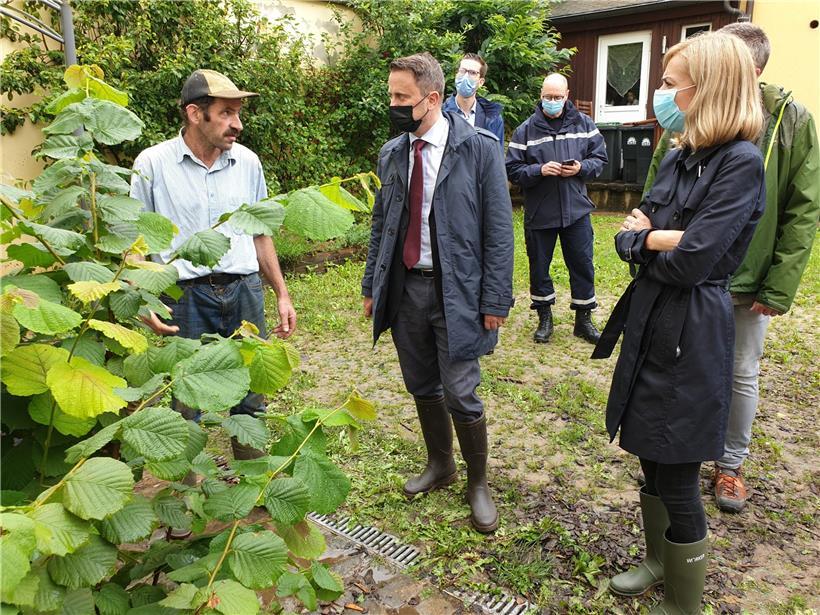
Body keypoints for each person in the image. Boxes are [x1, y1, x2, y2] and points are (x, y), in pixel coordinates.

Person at [592, 32, 765, 612]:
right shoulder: (679, 155)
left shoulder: (741, 163)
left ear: (708, 88)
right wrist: (657, 239)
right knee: (649, 452)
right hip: (651, 315)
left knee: (679, 473)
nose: (660, 94)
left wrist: (652, 239)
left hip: (693, 328)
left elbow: (695, 262)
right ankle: (657, 561)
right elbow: (628, 233)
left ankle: (684, 602)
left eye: (670, 84)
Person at [644, 23, 819, 514]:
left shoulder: (789, 121)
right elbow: (658, 184)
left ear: (748, 70)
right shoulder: (688, 117)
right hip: (682, 272)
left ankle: (730, 464)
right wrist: (649, 232)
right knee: (680, 362)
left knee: (740, 370)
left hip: (742, 275)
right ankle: (677, 453)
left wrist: (778, 285)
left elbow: (803, 208)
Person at [362, 52, 514, 533]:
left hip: (459, 292)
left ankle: (478, 483)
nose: (393, 105)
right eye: (390, 95)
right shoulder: (392, 153)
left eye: (401, 97)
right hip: (407, 289)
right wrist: (371, 285)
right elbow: (382, 224)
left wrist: (495, 298)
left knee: (461, 390)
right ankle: (440, 464)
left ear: (431, 99)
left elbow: (499, 230)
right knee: (421, 383)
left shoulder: (478, 149)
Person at [131, 69, 297, 460]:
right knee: (186, 400)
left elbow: (260, 233)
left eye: (238, 113)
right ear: (195, 113)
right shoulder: (153, 165)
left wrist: (281, 293)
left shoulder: (248, 163)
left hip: (245, 292)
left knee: (252, 394)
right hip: (184, 297)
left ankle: (255, 481)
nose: (237, 124)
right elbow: (134, 239)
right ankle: (187, 491)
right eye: (226, 113)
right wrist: (141, 298)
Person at [506, 73, 607, 345]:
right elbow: (512, 169)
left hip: (576, 210)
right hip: (541, 211)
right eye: (548, 97)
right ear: (540, 96)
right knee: (539, 266)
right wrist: (538, 170)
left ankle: (583, 321)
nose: (552, 101)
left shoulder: (584, 124)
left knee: (583, 264)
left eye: (557, 97)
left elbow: (600, 159)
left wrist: (581, 168)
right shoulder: (525, 130)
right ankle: (544, 318)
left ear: (567, 95)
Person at [442, 53, 505, 153]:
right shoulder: (441, 114)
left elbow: (497, 157)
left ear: (481, 82)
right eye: (462, 71)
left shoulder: (493, 119)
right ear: (456, 75)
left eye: (472, 73)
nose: (465, 76)